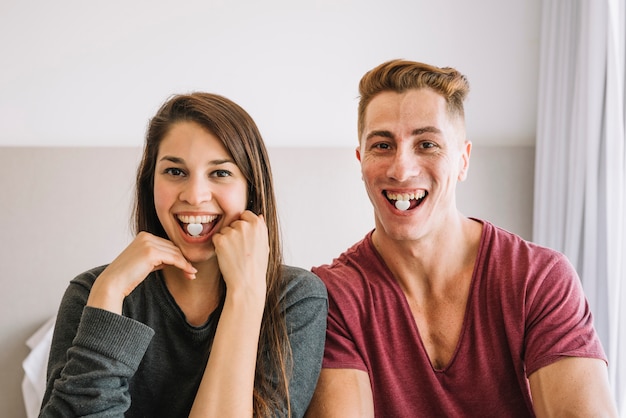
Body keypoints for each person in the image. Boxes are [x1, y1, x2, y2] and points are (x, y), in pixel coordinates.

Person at [304, 59, 618, 417]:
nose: (401, 169)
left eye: (427, 144)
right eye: (382, 146)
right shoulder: (334, 297)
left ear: (462, 161)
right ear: (361, 161)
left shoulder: (538, 278)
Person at [40, 92, 328, 417]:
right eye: (175, 172)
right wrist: (108, 292)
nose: (194, 195)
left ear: (251, 189)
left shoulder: (296, 297)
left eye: (220, 173)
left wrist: (245, 294)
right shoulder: (93, 292)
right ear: (150, 183)